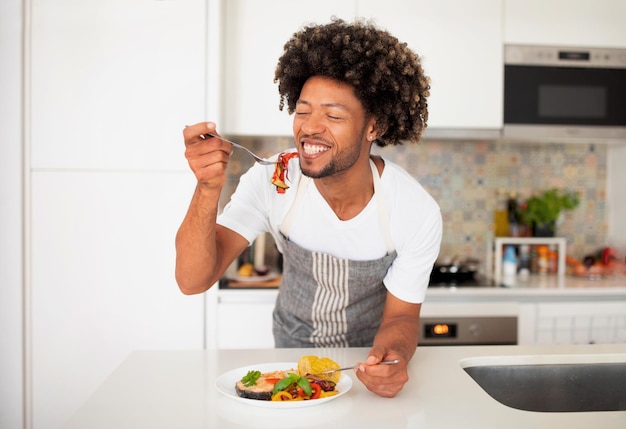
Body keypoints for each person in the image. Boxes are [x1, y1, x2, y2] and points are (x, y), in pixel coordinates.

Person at [176, 18, 442, 398]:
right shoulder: (272, 180)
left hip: (364, 364)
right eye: (302, 111)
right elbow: (192, 280)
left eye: (333, 115)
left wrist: (393, 358)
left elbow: (401, 316)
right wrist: (207, 188)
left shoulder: (415, 210)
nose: (309, 128)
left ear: (374, 126)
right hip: (290, 355)